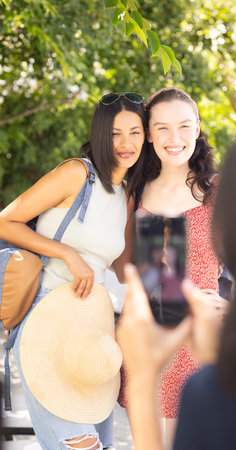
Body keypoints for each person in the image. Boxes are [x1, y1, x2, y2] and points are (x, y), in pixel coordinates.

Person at [116, 113, 236, 450]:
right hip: (177, 330)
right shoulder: (138, 190)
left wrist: (142, 382)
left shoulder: (221, 394)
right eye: (163, 126)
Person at [0, 92, 146, 450]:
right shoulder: (77, 173)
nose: (126, 143)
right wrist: (66, 252)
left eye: (135, 132)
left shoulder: (126, 194)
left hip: (92, 332)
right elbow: (6, 221)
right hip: (46, 317)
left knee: (103, 445)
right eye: (115, 133)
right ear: (100, 133)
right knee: (81, 445)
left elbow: (126, 269)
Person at [118, 87, 227, 446]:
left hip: (202, 342)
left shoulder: (217, 190)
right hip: (151, 340)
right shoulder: (138, 192)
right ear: (149, 135)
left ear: (197, 128)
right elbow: (125, 269)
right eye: (162, 128)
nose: (174, 138)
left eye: (183, 126)